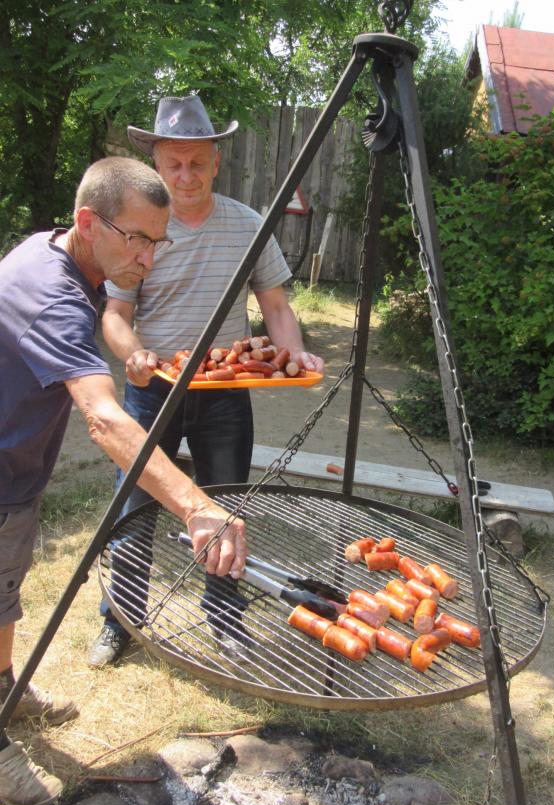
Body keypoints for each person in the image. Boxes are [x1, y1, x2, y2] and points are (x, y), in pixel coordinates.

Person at [0, 156, 246, 805]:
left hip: (14, 472)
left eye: (158, 242)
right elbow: (104, 420)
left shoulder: (61, 253)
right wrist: (196, 505)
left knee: (5, 591)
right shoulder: (51, 292)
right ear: (89, 222)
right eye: (138, 239)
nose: (150, 258)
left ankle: (4, 690)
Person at [88, 95, 324, 667]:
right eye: (174, 164)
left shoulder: (249, 225)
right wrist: (134, 354)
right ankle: (121, 620)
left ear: (216, 161)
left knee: (224, 506)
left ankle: (224, 618)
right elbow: (115, 315)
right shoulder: (140, 229)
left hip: (224, 394)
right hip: (153, 392)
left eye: (197, 162)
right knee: (134, 508)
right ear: (157, 165)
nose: (186, 175)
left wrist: (293, 354)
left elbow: (276, 306)